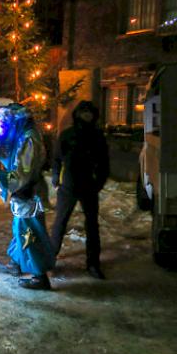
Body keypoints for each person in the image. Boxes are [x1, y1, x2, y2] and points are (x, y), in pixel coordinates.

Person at [0, 103, 55, 290]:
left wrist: (0, 176)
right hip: (22, 194)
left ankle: (40, 276)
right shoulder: (18, 136)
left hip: (29, 194)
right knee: (19, 228)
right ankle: (17, 263)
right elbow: (8, 157)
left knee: (29, 234)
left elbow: (24, 171)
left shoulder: (29, 138)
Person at [50, 101, 110, 279]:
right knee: (60, 223)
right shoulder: (67, 135)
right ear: (77, 114)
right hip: (68, 186)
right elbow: (56, 159)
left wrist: (98, 182)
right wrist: (55, 178)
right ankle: (50, 259)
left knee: (92, 226)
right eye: (83, 112)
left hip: (89, 186)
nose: (86, 115)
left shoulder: (97, 136)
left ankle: (93, 264)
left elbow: (104, 163)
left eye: (89, 112)